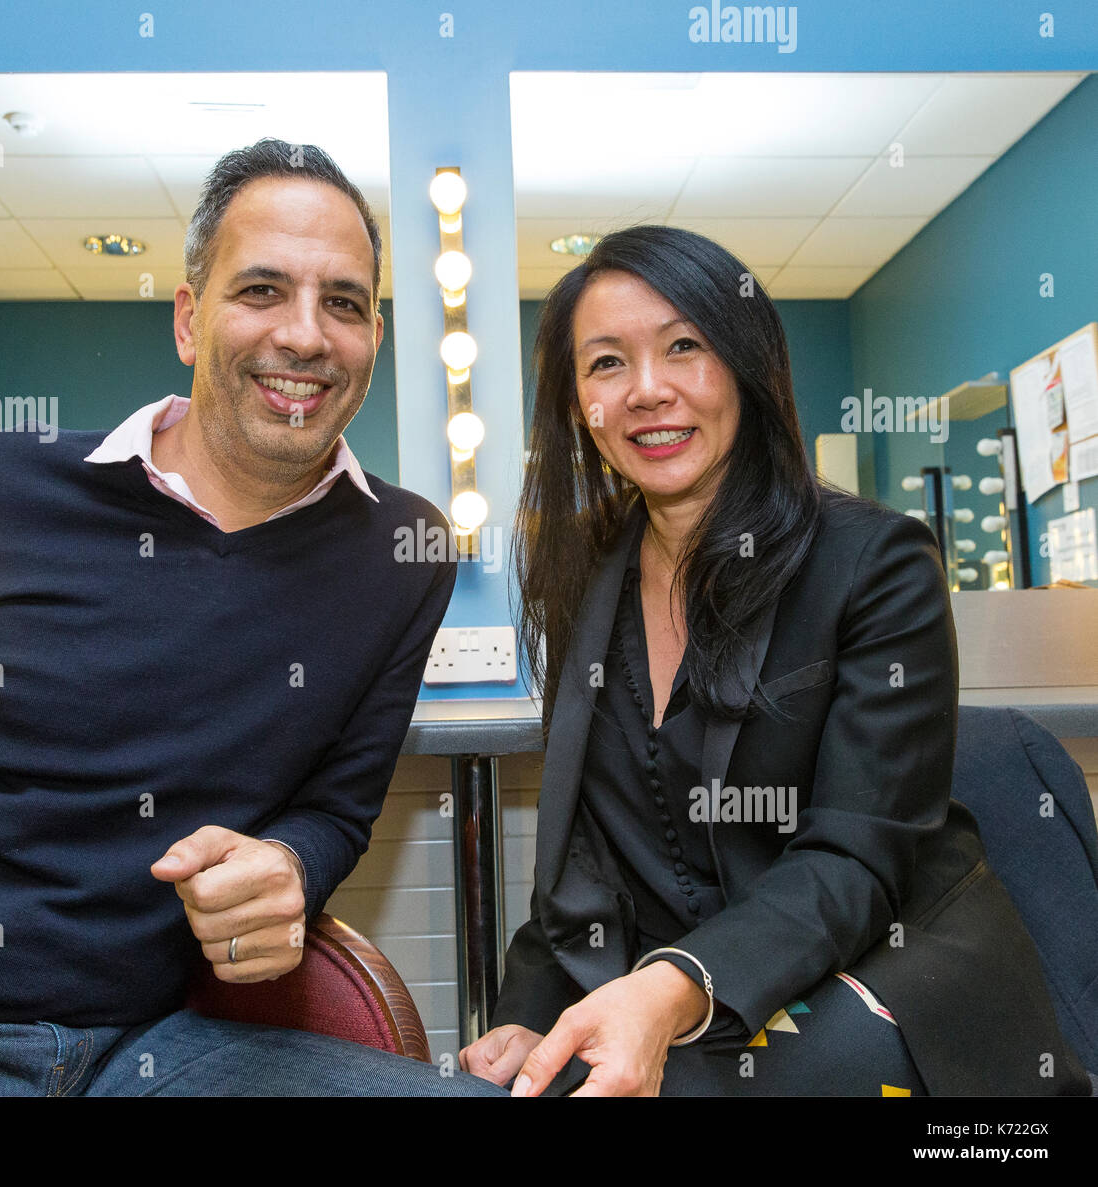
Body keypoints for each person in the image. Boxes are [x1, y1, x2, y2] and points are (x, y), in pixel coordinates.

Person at [0, 138, 503, 1097]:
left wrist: (289, 865)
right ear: (187, 318)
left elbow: (336, 807)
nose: (305, 335)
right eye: (261, 290)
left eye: (342, 301)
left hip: (148, 1045)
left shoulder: (401, 551)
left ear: (373, 335)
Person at [460, 225, 1090, 1098]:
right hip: (681, 1001)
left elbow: (854, 860)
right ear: (577, 404)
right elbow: (583, 851)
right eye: (606, 363)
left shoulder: (877, 562)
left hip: (889, 978)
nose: (648, 389)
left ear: (747, 367)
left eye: (685, 346)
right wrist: (531, 1018)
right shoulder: (582, 569)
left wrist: (670, 987)